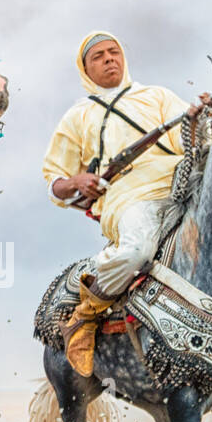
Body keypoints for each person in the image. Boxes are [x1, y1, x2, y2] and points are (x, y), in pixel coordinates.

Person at [42, 31, 191, 375]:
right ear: (85, 69)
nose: (110, 59)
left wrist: (200, 114)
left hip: (183, 184)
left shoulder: (158, 96)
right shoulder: (77, 116)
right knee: (136, 253)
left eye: (114, 52)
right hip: (132, 198)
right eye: (99, 56)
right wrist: (77, 181)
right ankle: (86, 314)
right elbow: (55, 183)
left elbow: (193, 134)